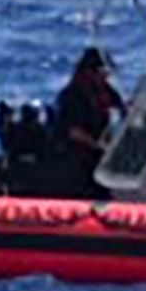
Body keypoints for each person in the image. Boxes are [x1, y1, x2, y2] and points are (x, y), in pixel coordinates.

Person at [49, 46, 121, 193]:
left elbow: (120, 109)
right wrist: (99, 146)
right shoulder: (73, 96)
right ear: (89, 72)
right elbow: (73, 131)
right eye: (102, 73)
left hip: (103, 148)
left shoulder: (106, 91)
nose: (105, 78)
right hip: (77, 155)